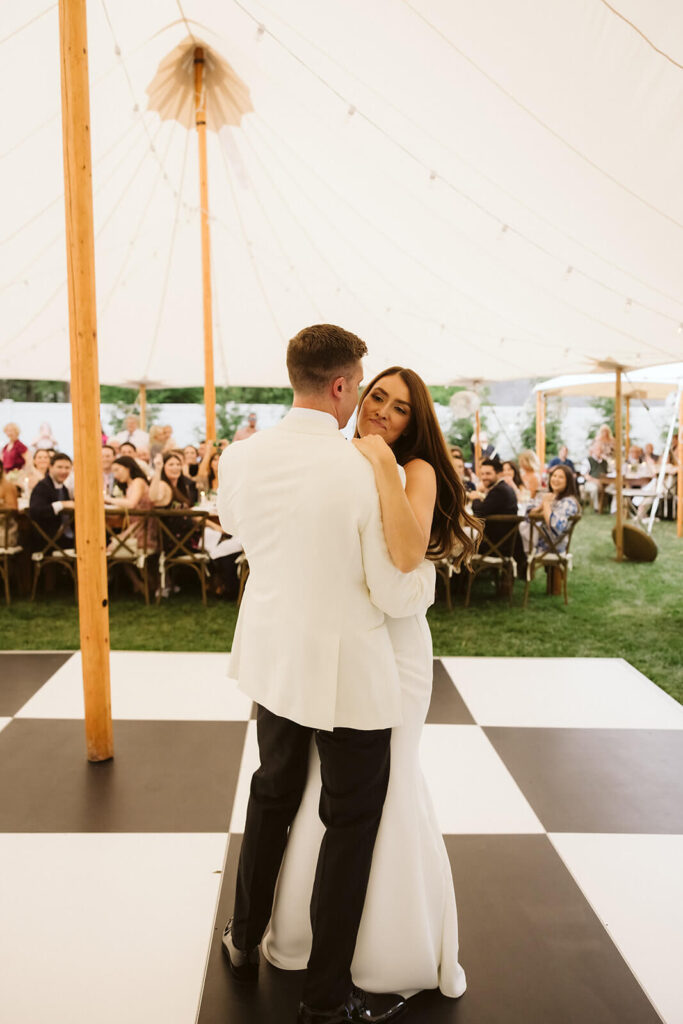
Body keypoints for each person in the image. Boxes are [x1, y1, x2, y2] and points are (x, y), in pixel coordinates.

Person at [218, 326, 445, 1024]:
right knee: (348, 823)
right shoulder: (366, 473)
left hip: (273, 660)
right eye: (368, 391)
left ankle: (243, 938)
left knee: (271, 794)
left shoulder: (240, 456)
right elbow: (394, 593)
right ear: (344, 386)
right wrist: (427, 582)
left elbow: (238, 529)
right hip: (351, 674)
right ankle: (324, 998)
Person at [260, 361, 480, 1009]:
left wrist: (383, 464)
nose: (382, 410)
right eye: (377, 396)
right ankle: (312, 937)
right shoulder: (335, 458)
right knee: (326, 789)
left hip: (396, 644)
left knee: (388, 786)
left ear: (415, 423)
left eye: (399, 407)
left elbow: (407, 556)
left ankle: (386, 948)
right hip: (339, 643)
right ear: (356, 396)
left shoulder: (416, 470)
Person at [522, 466, 580, 554]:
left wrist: (546, 504)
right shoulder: (549, 496)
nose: (556, 479)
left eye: (561, 477)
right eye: (554, 476)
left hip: (551, 548)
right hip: (537, 543)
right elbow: (528, 515)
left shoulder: (568, 502)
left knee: (514, 542)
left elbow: (556, 527)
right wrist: (539, 508)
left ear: (568, 482)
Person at [28, 452, 75, 549]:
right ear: (50, 467)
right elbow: (35, 511)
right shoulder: (42, 486)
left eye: (67, 468)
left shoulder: (64, 488)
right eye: (60, 467)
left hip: (65, 537)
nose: (63, 471)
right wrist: (61, 504)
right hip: (48, 541)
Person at [583, 439, 609, 512]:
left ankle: (613, 509)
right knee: (594, 488)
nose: (599, 451)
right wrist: (596, 481)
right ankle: (597, 508)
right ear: (593, 450)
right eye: (598, 449)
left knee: (614, 488)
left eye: (601, 449)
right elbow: (585, 475)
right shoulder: (588, 460)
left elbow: (607, 474)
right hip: (590, 482)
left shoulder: (605, 462)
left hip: (604, 483)